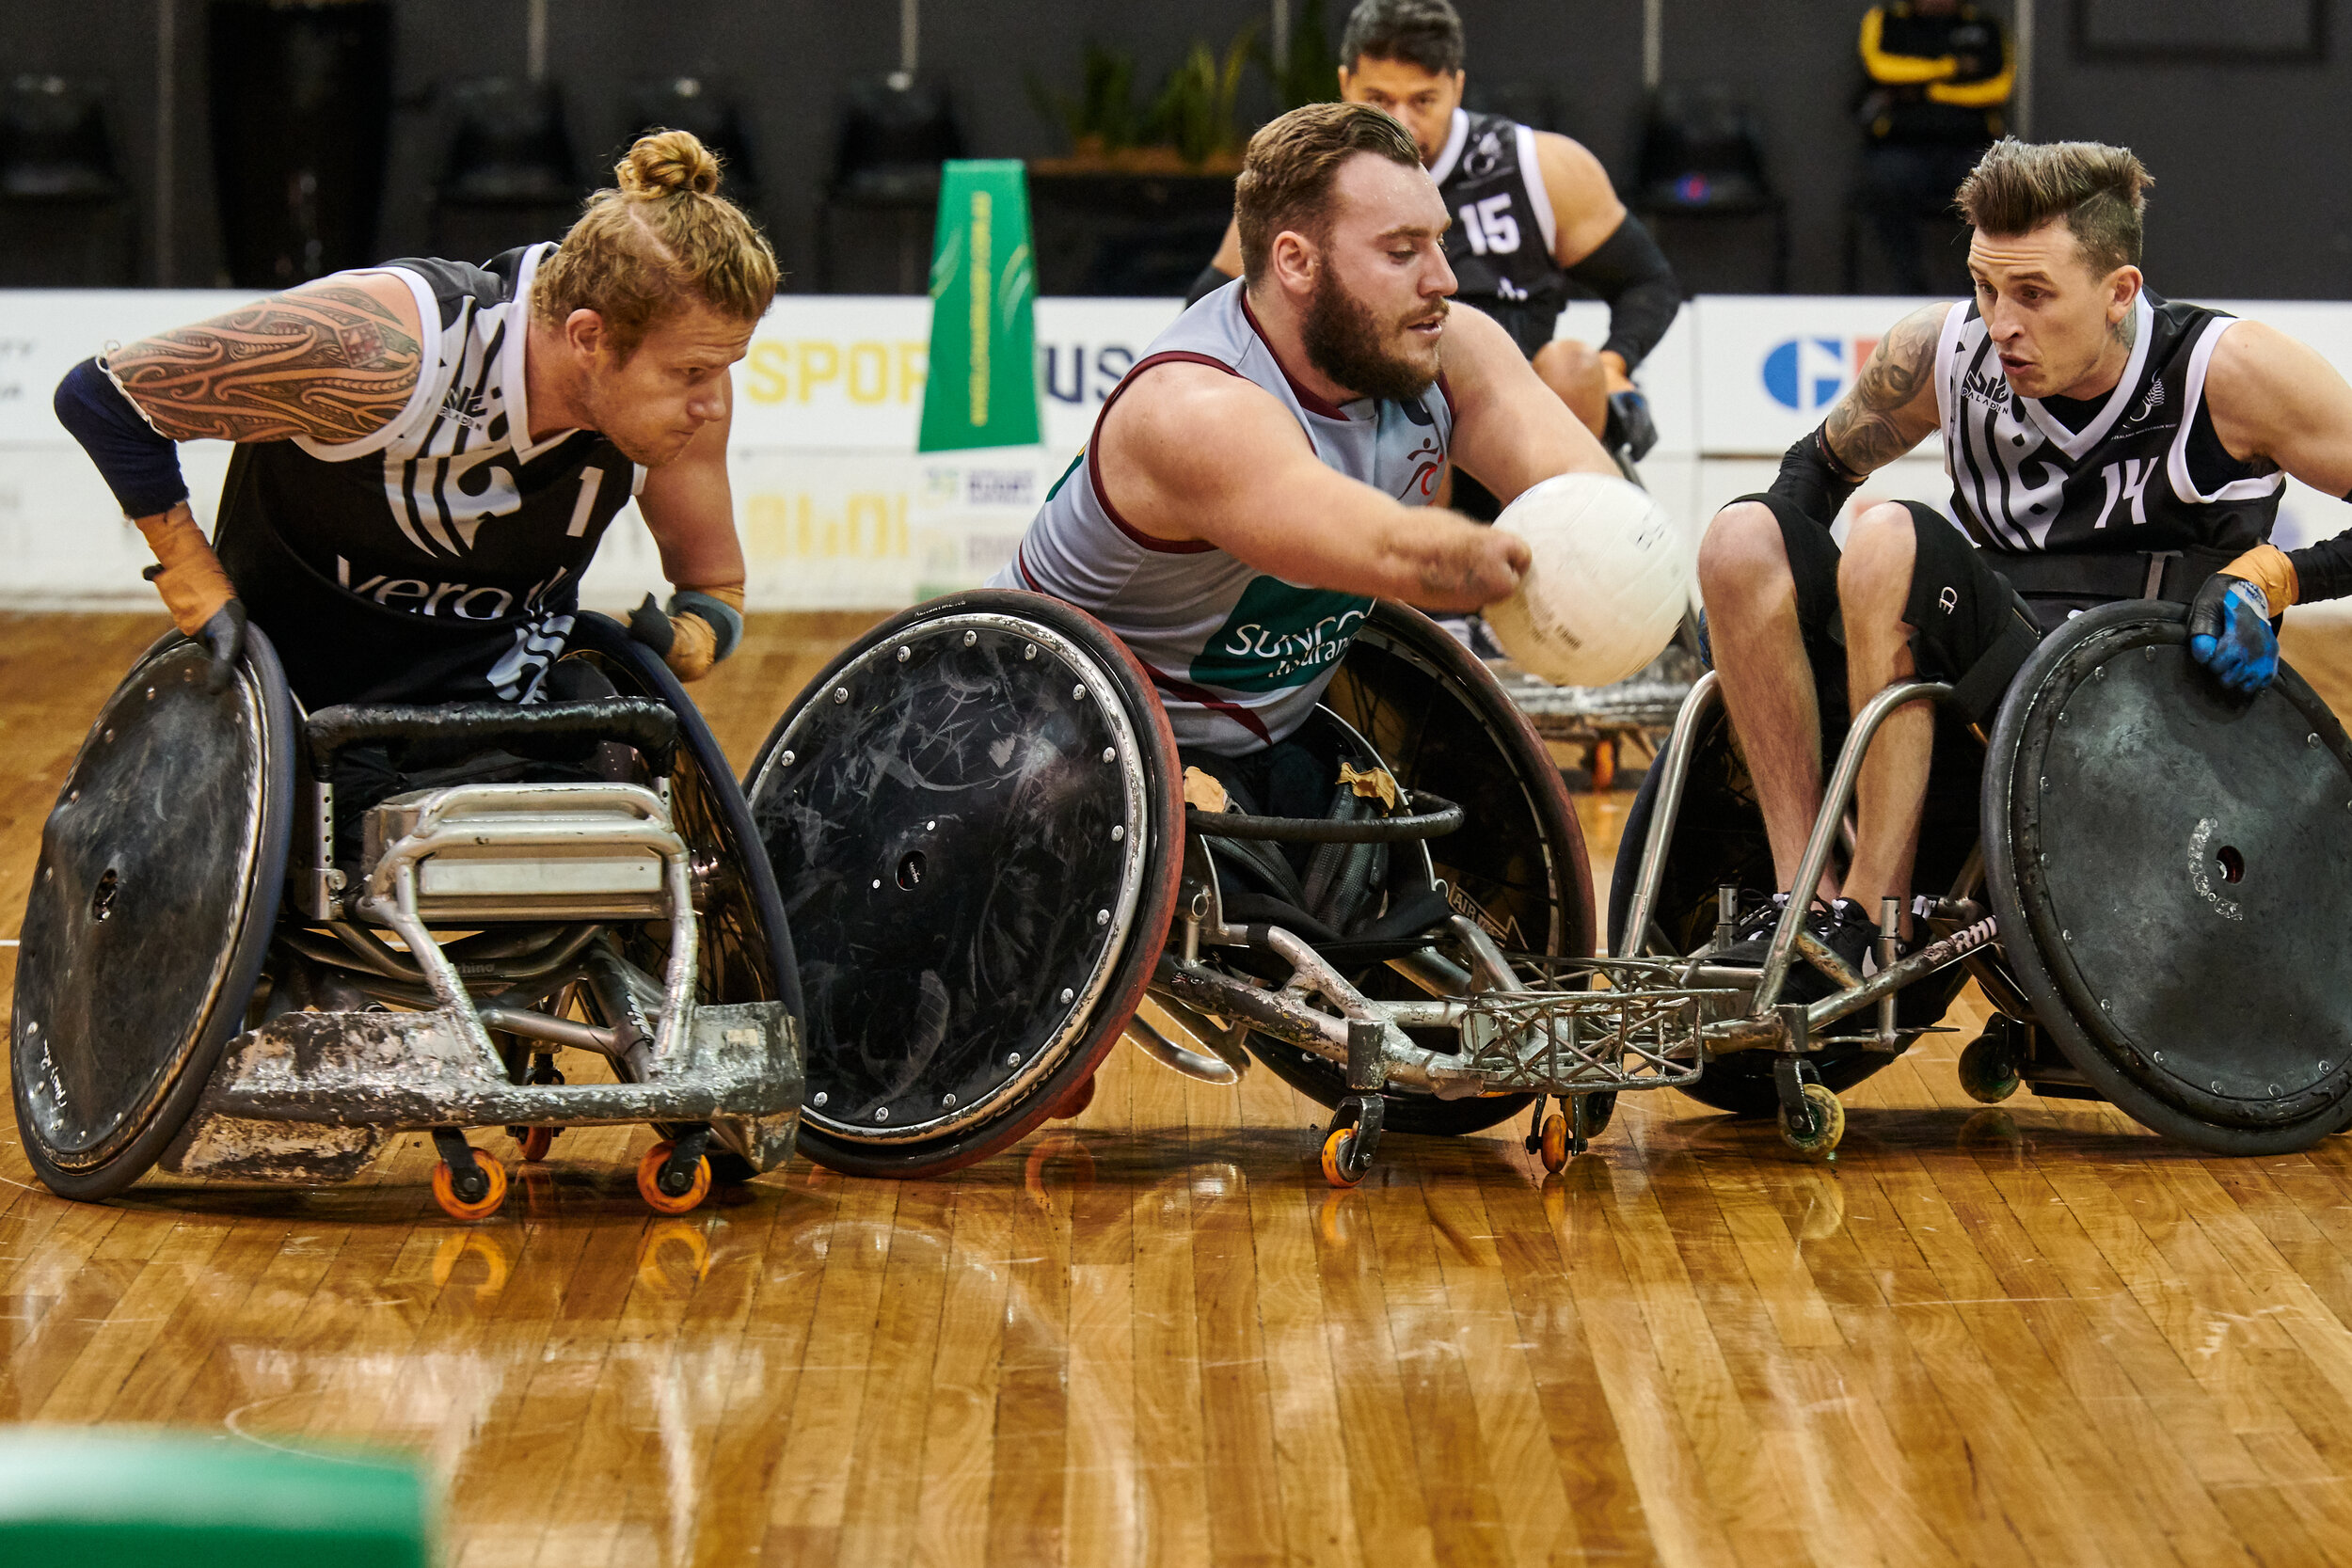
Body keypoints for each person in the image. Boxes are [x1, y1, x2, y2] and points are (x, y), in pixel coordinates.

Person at [1697, 137, 2352, 995]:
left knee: (1891, 532)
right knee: (1740, 538)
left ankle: (1873, 918)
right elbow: (1809, 476)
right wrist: (1755, 621)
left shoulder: (2223, 369)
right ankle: (1805, 900)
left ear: (2120, 292)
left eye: (2034, 294)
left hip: (2138, 709)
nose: (2001, 322)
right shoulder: (1944, 351)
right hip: (1982, 687)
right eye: (1984, 285)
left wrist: (2277, 574)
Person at [993, 101, 1616, 816]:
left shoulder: (1451, 347)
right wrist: (1529, 570)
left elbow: (1596, 502)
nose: (1443, 278)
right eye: (1402, 250)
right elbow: (1385, 551)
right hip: (1040, 749)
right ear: (1295, 260)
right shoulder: (1194, 407)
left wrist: (1627, 573)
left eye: (1440, 242)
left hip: (1243, 747)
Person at [53, 128, 770, 718]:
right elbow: (104, 397)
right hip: (294, 708)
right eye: (691, 373)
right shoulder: (383, 345)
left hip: (501, 712)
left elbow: (716, 592)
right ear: (588, 337)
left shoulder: (683, 399)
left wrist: (684, 641)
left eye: (720, 367)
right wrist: (193, 579)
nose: (711, 400)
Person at [1186, 0, 1680, 487]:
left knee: (1573, 366)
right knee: (1409, 406)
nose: (1402, 120)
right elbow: (1208, 310)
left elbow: (1648, 281)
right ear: (1344, 85)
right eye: (1379, 99)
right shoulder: (1303, 182)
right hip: (1381, 423)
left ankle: (1581, 521)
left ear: (1457, 87)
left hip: (1516, 423)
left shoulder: (1539, 166)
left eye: (1423, 100)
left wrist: (1616, 363)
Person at [1853, 0, 2011, 293]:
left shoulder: (1984, 27)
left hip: (1968, 146)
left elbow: (1998, 86)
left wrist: (1925, 90)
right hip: (1901, 146)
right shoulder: (1886, 20)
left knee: (1996, 187)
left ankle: (1979, 288)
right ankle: (1909, 287)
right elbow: (1880, 67)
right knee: (1886, 181)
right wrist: (1951, 67)